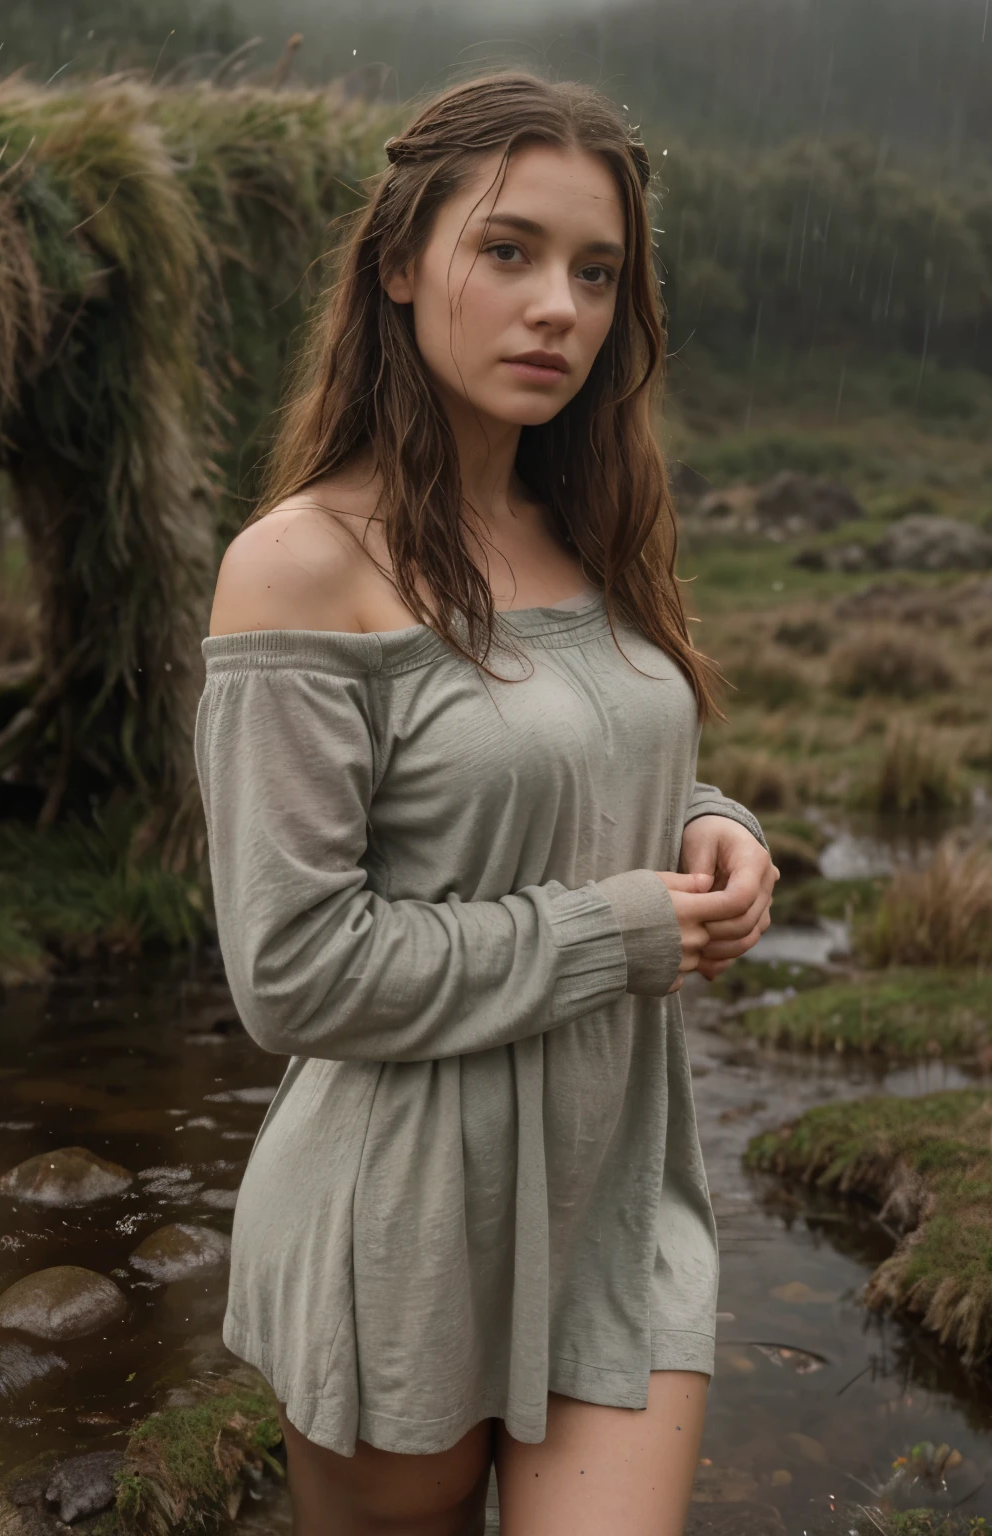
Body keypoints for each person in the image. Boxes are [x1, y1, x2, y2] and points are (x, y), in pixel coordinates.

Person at [196, 71, 779, 1536]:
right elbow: (292, 970)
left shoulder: (589, 519)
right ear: (400, 264)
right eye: (508, 252)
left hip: (620, 1188)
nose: (559, 310)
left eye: (596, 273)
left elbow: (587, 753)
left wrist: (717, 823)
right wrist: (617, 930)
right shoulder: (303, 563)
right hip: (403, 1222)